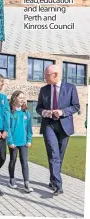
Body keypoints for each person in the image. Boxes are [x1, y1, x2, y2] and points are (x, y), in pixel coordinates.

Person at [36, 64, 80, 196]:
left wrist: (62, 112)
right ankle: (58, 186)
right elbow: (38, 107)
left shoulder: (70, 88)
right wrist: (44, 112)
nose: (44, 77)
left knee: (59, 156)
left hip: (64, 126)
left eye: (46, 75)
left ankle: (53, 179)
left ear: (55, 75)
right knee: (53, 154)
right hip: (49, 125)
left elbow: (76, 106)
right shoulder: (44, 90)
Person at [7, 90, 33, 193]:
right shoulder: (10, 111)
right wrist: (10, 141)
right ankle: (12, 179)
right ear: (14, 98)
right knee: (13, 160)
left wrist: (29, 140)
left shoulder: (26, 112)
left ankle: (26, 182)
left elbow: (29, 128)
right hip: (13, 142)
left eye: (23, 98)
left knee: (24, 161)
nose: (22, 99)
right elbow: (8, 128)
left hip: (24, 142)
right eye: (20, 97)